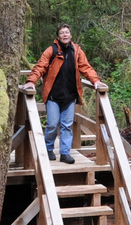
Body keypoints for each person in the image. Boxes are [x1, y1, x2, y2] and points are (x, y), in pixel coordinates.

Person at [24, 24, 106, 162]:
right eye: (62, 33)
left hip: (69, 95)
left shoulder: (77, 51)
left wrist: (95, 81)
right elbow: (40, 67)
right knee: (52, 124)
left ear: (71, 35)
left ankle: (65, 153)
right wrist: (31, 81)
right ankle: (48, 149)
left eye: (67, 32)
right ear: (58, 36)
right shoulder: (51, 50)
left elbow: (86, 67)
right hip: (53, 95)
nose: (65, 35)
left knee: (67, 126)